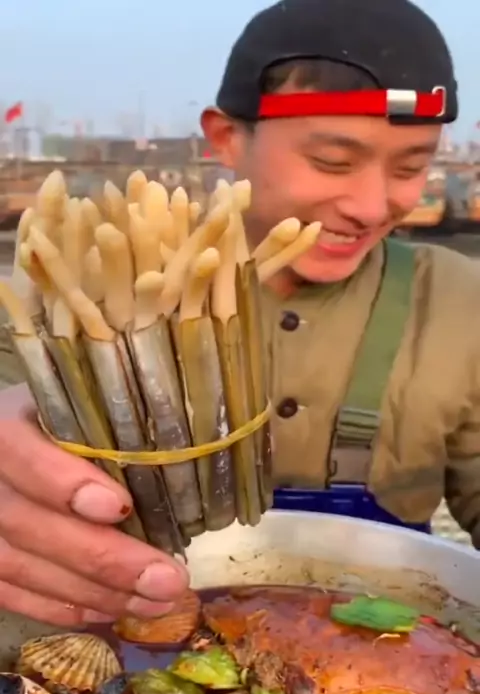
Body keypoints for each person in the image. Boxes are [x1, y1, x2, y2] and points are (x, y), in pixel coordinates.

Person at [0, 0, 478, 627]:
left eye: (411, 167)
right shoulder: (77, 287)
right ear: (226, 138)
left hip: (382, 640)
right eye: (332, 162)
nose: (370, 205)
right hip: (123, 635)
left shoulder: (458, 299)